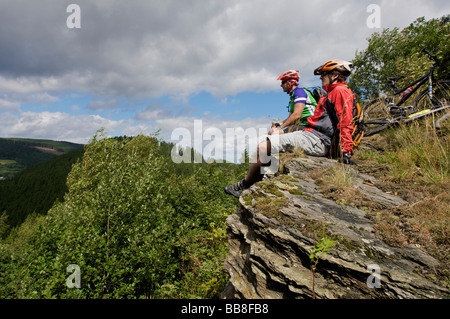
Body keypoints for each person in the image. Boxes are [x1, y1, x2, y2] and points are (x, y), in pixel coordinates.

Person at [224, 59, 356, 198]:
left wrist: (346, 152)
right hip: (312, 134)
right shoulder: (332, 92)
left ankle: (245, 185)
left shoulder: (339, 91)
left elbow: (345, 121)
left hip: (318, 138)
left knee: (263, 147)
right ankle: (259, 178)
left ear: (335, 75)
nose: (321, 77)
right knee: (269, 141)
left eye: (324, 74)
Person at [269, 70, 316, 135]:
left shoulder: (299, 92)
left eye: (283, 82)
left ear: (290, 82)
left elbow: (296, 115)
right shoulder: (293, 97)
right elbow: (290, 118)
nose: (281, 85)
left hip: (308, 124)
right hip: (301, 125)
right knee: (271, 132)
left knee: (275, 133)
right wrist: (278, 124)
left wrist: (281, 127)